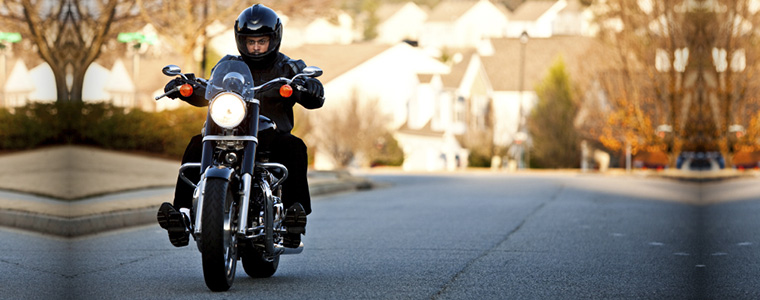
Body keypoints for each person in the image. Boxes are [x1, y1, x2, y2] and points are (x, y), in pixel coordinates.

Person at [156, 4, 324, 248]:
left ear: (273, 39)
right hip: (228, 131)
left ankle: (292, 218)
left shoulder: (288, 67)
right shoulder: (228, 65)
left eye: (262, 40)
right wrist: (185, 87)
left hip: (270, 137)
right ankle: (181, 213)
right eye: (250, 41)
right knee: (197, 142)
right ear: (240, 40)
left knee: (295, 146)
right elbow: (209, 88)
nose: (256, 46)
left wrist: (310, 88)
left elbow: (309, 93)